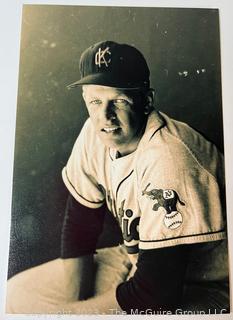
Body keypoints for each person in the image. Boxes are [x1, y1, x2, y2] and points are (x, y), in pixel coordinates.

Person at [6, 40, 229, 315]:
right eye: (95, 101)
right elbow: (81, 225)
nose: (105, 116)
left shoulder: (169, 158)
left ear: (146, 101)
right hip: (137, 259)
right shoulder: (94, 132)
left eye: (118, 101)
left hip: (206, 285)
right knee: (16, 294)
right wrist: (73, 304)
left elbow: (156, 295)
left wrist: (70, 314)